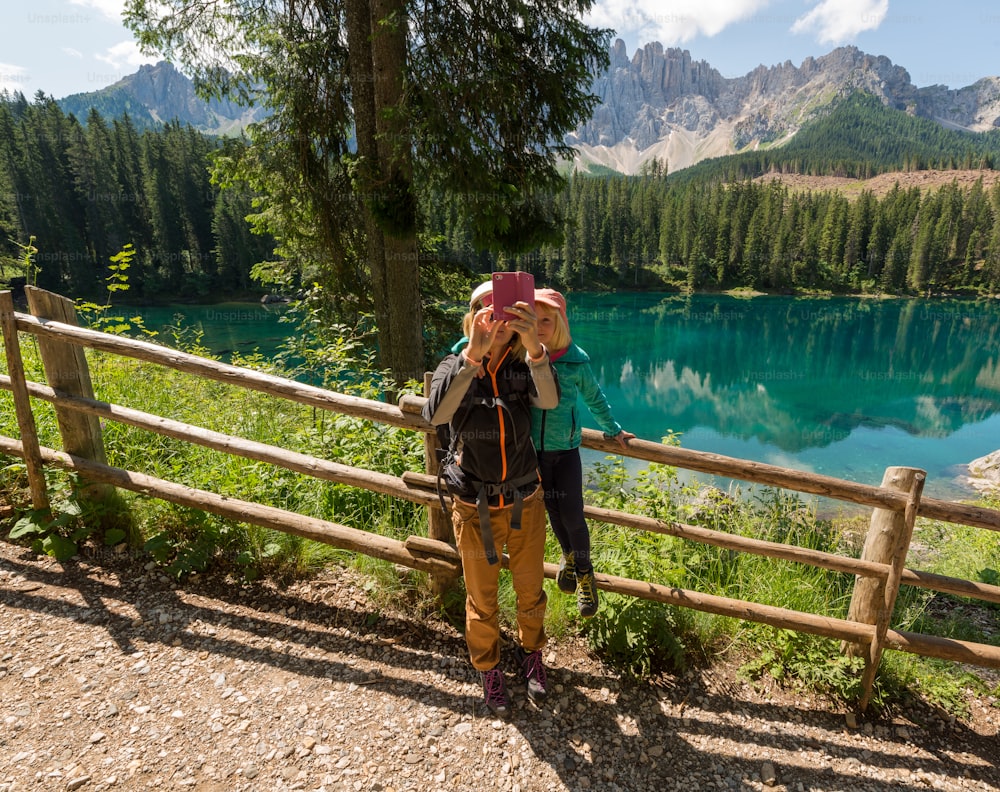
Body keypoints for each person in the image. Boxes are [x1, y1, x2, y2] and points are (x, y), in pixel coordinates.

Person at [422, 282, 559, 718]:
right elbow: (436, 415)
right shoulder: (454, 363)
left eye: (507, 312)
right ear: (472, 318)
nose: (498, 321)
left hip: (525, 499)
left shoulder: (524, 365)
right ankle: (489, 668)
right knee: (481, 599)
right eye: (488, 312)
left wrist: (534, 346)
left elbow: (550, 400)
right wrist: (472, 358)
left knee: (530, 591)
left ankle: (530, 653)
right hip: (473, 504)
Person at [532, 288, 635, 618]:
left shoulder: (576, 361)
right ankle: (568, 556)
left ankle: (585, 573)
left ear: (560, 322)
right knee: (553, 511)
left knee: (573, 515)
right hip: (534, 453)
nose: (539, 326)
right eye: (533, 319)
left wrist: (613, 429)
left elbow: (595, 398)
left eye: (546, 319)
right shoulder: (522, 355)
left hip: (565, 451)